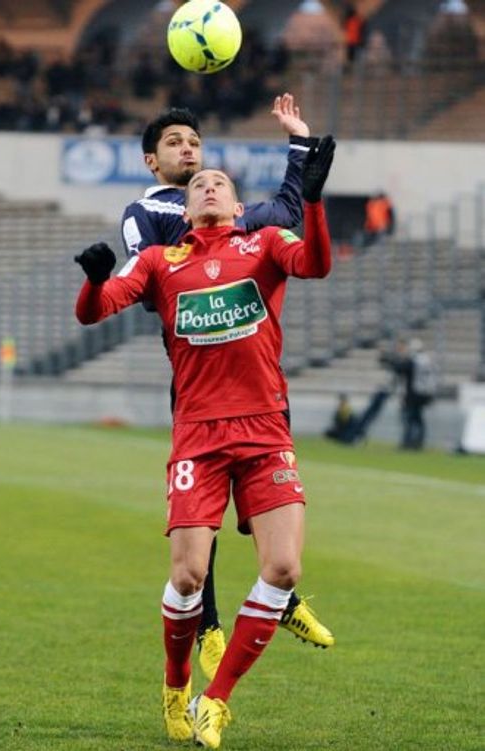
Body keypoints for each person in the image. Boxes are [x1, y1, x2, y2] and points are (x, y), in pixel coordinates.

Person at [74, 140, 336, 747]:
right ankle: (175, 683)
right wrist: (92, 282)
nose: (210, 186)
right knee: (189, 576)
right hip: (197, 435)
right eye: (199, 185)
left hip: (265, 429)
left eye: (219, 182)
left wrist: (314, 199)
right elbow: (96, 311)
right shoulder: (161, 263)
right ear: (185, 210)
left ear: (238, 204)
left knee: (284, 566)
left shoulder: (265, 244)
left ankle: (214, 702)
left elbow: (317, 264)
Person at [120, 94, 334, 684]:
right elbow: (154, 276)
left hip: (256, 381)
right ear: (152, 162)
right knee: (198, 527)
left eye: (194, 143)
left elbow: (284, 212)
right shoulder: (149, 214)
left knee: (271, 500)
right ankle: (210, 627)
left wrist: (297, 146)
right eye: (174, 144)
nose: (188, 151)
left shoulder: (223, 208)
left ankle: (277, 597)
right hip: (197, 381)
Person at [380, 337, 436, 450]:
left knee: (409, 418)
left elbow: (400, 368)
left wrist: (387, 359)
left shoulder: (414, 360)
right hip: (425, 393)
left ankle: (408, 442)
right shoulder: (427, 359)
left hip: (414, 393)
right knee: (418, 418)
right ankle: (418, 442)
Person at [324, 389, 390, 444]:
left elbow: (343, 421)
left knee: (369, 414)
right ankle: (380, 397)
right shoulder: (343, 408)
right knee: (369, 414)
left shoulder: (344, 408)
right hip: (352, 429)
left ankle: (380, 396)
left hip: (352, 429)